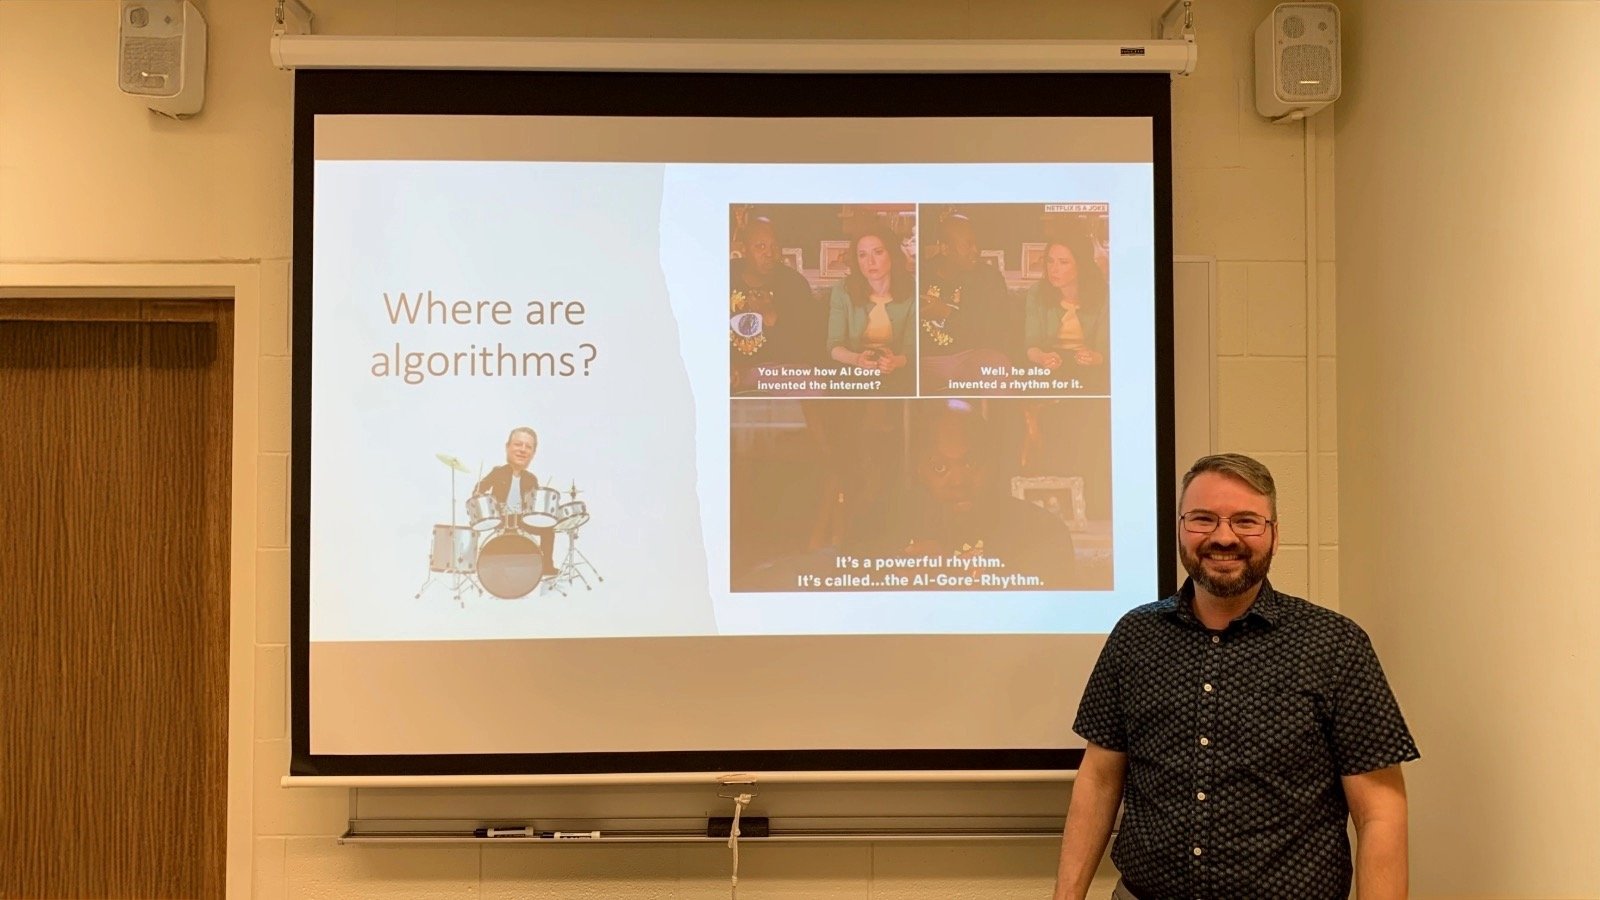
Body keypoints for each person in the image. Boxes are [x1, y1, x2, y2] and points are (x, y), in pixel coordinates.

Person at [1054, 453, 1418, 900]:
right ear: (1181, 528)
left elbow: (1380, 811)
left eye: (1246, 521)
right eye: (1203, 519)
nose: (1223, 537)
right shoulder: (1135, 636)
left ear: (1274, 535)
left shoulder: (1335, 645)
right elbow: (1099, 779)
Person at [848, 401, 1077, 588]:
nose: (958, 481)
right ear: (918, 468)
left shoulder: (1041, 528)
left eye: (971, 463)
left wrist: (955, 567)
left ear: (992, 462)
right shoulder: (877, 525)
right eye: (939, 467)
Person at [729, 216, 824, 393]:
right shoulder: (725, 276)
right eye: (760, 247)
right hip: (729, 368)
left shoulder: (794, 284)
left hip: (775, 371)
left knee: (813, 385)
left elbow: (805, 352)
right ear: (743, 249)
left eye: (774, 247)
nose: (769, 254)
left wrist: (771, 317)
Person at [918, 213, 1012, 390]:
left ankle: (1002, 418)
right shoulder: (922, 275)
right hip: (925, 360)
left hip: (971, 356)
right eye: (968, 244)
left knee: (997, 366)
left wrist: (945, 313)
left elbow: (994, 333)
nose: (976, 250)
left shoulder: (988, 278)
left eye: (976, 243)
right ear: (945, 249)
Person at [826, 228, 914, 389]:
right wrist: (857, 359)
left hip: (895, 370)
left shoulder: (912, 291)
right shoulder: (842, 290)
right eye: (863, 255)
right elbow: (834, 345)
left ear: (892, 255)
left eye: (878, 252)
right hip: (852, 369)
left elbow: (911, 350)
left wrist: (895, 361)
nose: (870, 262)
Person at [1024, 234, 1109, 389]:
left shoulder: (1104, 295)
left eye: (1063, 262)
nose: (1054, 269)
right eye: (1050, 261)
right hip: (1049, 365)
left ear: (1081, 264)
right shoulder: (1037, 292)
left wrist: (1094, 358)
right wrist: (1042, 357)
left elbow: (1105, 351)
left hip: (1090, 369)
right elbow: (1031, 345)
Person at [472, 426, 558, 576]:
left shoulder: (531, 478)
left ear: (533, 453)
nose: (522, 450)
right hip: (500, 518)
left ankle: (547, 566)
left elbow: (535, 503)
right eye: (518, 444)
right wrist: (483, 497)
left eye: (528, 447)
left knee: (548, 530)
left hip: (522, 519)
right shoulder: (498, 471)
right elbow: (479, 489)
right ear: (507, 447)